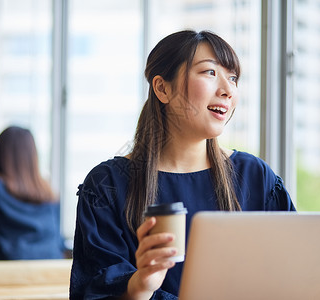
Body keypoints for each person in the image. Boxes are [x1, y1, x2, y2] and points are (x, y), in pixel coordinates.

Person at [70, 30, 296, 299]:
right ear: (162, 88)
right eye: (210, 73)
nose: (227, 90)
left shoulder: (256, 176)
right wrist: (141, 284)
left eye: (233, 77)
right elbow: (94, 291)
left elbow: (291, 273)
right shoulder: (108, 185)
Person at [0, 126, 65, 260]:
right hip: (49, 272)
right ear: (33, 156)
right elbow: (58, 242)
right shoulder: (50, 193)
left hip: (0, 274)